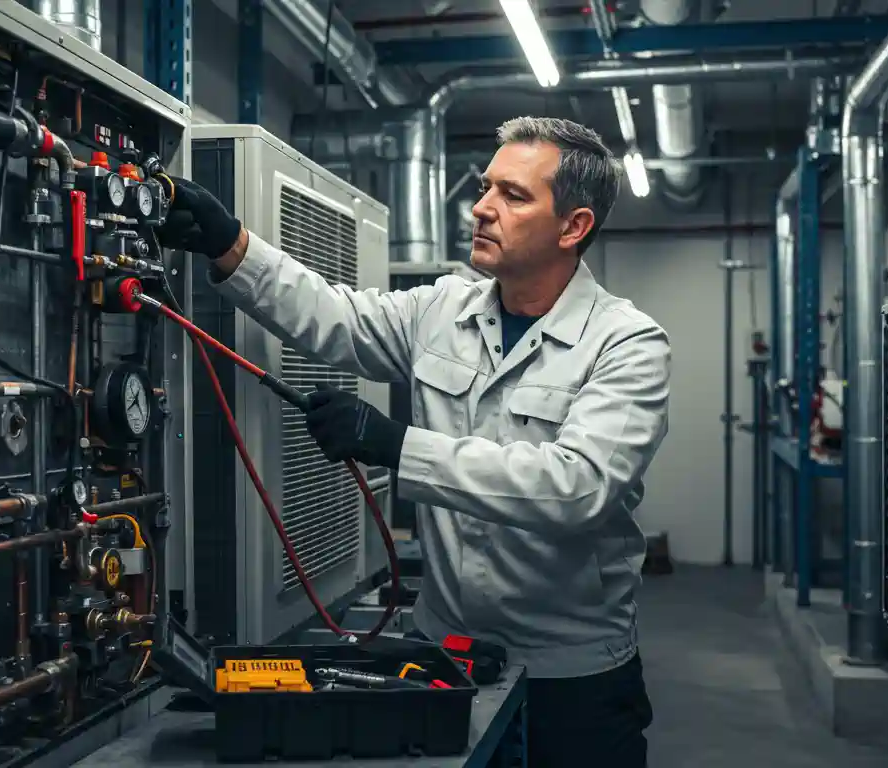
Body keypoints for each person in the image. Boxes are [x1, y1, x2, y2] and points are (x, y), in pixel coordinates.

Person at [157, 116, 670, 767]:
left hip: (572, 674)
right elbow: (335, 317)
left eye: (513, 196)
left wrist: (398, 446)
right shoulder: (444, 309)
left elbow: (577, 487)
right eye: (486, 188)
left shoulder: (627, 344)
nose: (482, 207)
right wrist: (232, 245)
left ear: (573, 227)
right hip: (443, 655)